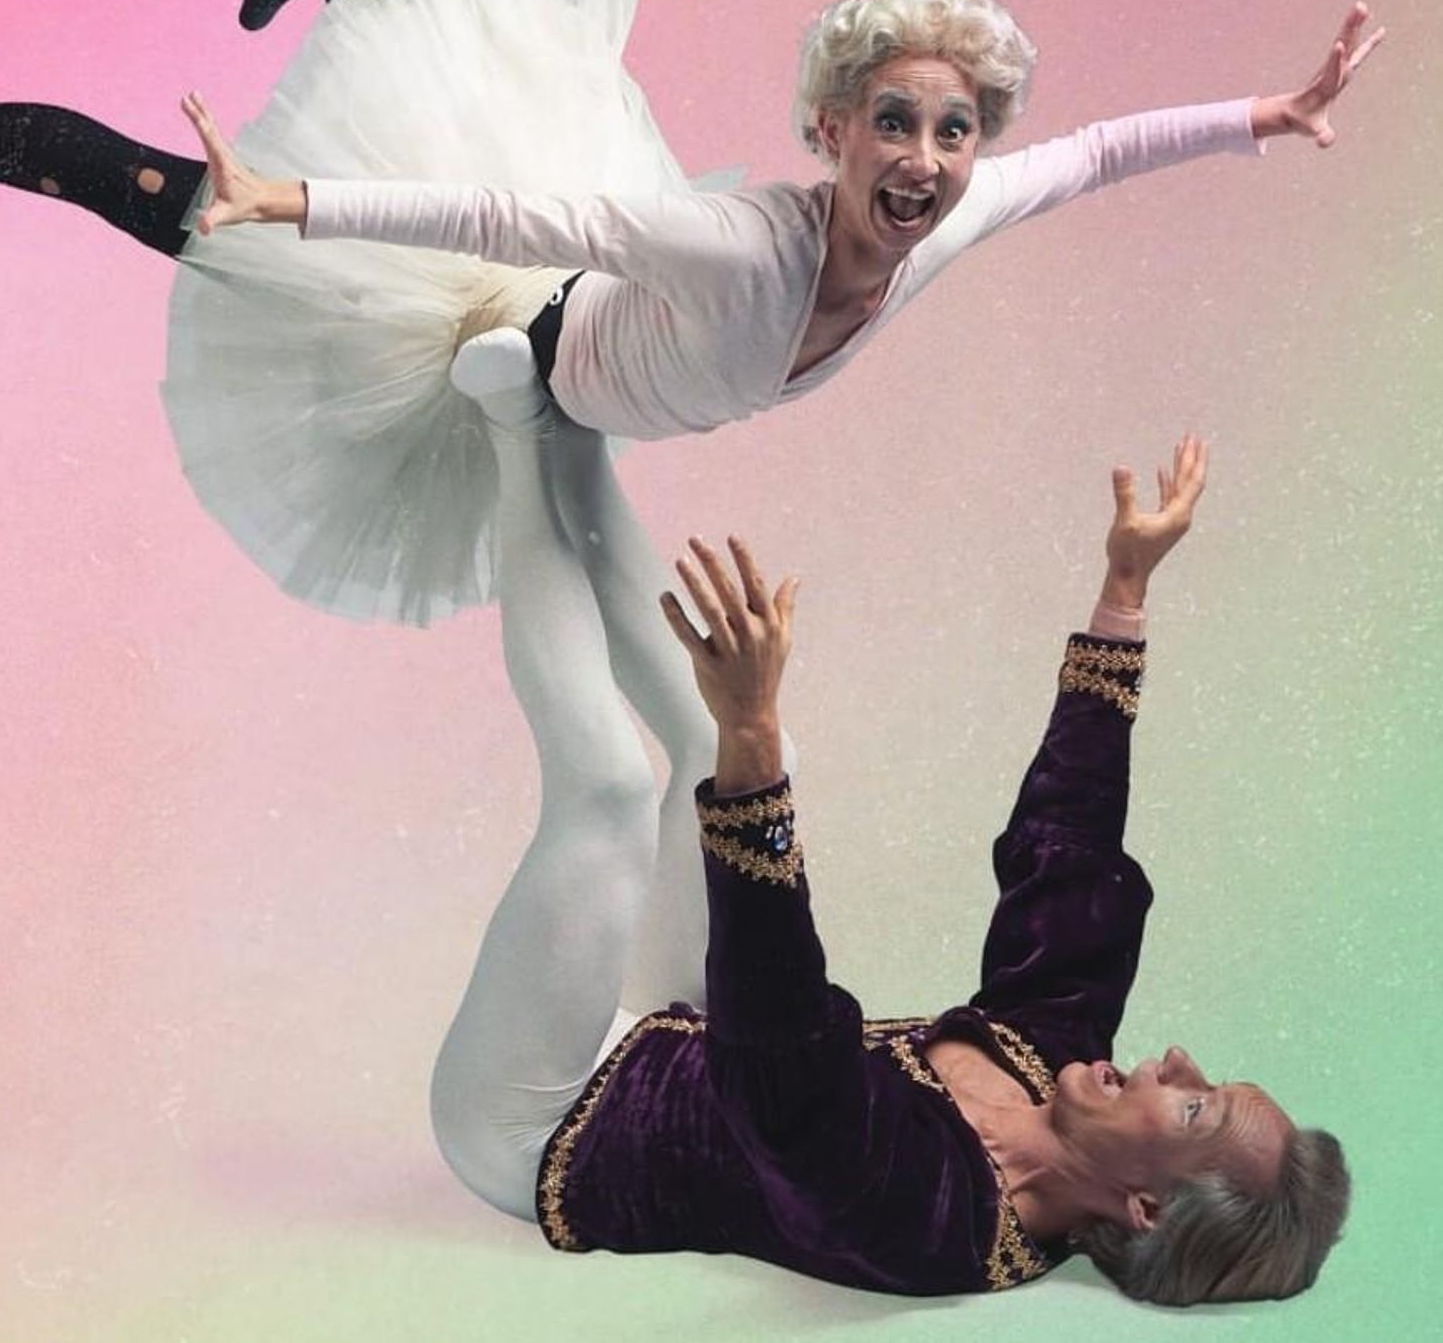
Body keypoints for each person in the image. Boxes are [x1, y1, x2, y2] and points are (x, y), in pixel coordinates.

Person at [0, 0, 1384, 624]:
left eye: (954, 133)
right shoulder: (729, 248)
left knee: (474, 72)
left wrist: (1270, 112)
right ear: (829, 130)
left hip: (604, 299)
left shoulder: (949, 218)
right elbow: (503, 220)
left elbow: (1094, 155)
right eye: (894, 125)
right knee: (178, 210)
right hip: (509, 326)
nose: (928, 161)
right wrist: (289, 205)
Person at [428, 387, 1350, 1303]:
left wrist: (752, 735)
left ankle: (512, 431)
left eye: (1193, 1105)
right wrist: (1125, 592)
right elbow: (1069, 852)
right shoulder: (1054, 1063)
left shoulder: (931, 1220)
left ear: (1146, 1207)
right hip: (685, 1032)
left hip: (543, 1121)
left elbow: (785, 1063)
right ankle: (572, 432)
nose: (1174, 1058)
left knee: (612, 793)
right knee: (733, 750)